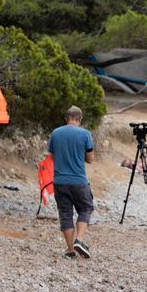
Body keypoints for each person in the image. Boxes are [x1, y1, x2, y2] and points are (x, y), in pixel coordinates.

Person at [48, 106, 95, 259]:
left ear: (66, 118)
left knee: (65, 215)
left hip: (60, 181)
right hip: (79, 181)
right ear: (80, 119)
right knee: (86, 209)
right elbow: (90, 159)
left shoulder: (55, 133)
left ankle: (70, 251)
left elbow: (53, 156)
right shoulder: (85, 134)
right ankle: (79, 241)